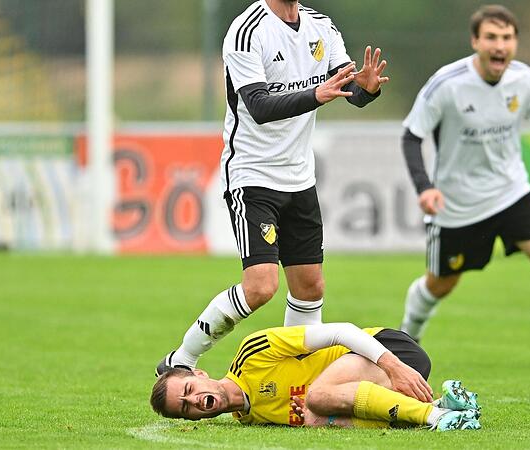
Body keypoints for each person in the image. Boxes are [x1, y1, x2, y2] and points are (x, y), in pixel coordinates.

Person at [156, 0, 389, 375]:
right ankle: (181, 358)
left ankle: (292, 377)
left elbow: (347, 89)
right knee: (261, 286)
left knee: (310, 286)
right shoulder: (247, 30)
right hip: (253, 175)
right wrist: (317, 95)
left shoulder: (321, 26)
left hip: (300, 177)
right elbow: (259, 107)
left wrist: (367, 89)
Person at [399, 5, 530, 364]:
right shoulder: (447, 84)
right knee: (441, 284)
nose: (500, 46)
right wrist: (425, 188)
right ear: (475, 41)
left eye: (507, 38)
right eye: (492, 38)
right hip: (458, 203)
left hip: (511, 193)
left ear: (515, 42)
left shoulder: (525, 80)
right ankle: (405, 340)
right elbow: (411, 136)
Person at [150, 322, 482, 431]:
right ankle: (443, 406)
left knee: (317, 398)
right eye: (186, 406)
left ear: (200, 373)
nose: (194, 400)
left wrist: (394, 365)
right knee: (314, 418)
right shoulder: (250, 419)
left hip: (386, 351)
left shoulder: (253, 352)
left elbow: (343, 331)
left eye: (189, 388)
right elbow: (318, 414)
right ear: (193, 417)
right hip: (377, 388)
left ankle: (436, 416)